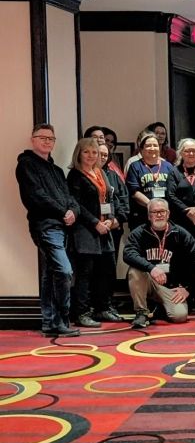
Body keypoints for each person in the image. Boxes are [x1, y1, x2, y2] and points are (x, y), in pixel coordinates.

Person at [16, 124, 82, 337]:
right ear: (32, 139)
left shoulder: (56, 170)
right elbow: (36, 196)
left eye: (51, 139)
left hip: (62, 226)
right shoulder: (26, 164)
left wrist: (73, 210)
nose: (47, 141)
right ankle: (61, 320)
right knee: (64, 271)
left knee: (51, 274)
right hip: (45, 226)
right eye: (42, 137)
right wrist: (64, 211)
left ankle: (50, 322)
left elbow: (70, 197)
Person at [67, 138, 121, 329]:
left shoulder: (100, 172)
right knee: (85, 273)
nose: (91, 156)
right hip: (85, 231)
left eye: (95, 152)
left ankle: (103, 307)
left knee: (106, 270)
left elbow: (110, 198)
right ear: (79, 154)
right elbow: (77, 205)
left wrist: (111, 218)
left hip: (105, 229)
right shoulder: (75, 175)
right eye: (87, 152)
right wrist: (95, 222)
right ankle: (82, 312)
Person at [124, 198, 195, 329]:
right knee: (135, 270)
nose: (159, 215)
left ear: (168, 214)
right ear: (149, 216)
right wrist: (151, 268)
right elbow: (128, 254)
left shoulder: (181, 234)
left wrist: (188, 289)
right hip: (148, 281)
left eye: (162, 211)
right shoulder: (139, 233)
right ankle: (142, 312)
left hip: (171, 287)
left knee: (180, 316)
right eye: (155, 212)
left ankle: (160, 308)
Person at [126, 132, 177, 228]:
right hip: (142, 215)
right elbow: (134, 191)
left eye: (155, 145)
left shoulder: (168, 166)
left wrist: (162, 209)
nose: (152, 148)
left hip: (165, 216)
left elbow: (174, 190)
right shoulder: (135, 166)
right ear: (141, 150)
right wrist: (152, 205)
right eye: (148, 146)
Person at [99, 143, 129, 265]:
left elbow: (124, 201)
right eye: (100, 154)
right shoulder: (83, 174)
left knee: (110, 269)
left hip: (114, 227)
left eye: (105, 155)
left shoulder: (113, 175)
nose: (102, 157)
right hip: (94, 229)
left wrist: (117, 220)